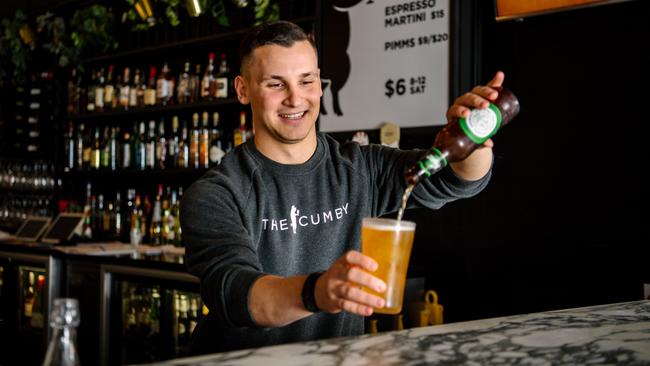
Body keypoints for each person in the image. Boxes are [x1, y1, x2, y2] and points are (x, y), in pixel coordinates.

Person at [181, 20, 501, 355]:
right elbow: (236, 292)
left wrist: (470, 142)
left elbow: (457, 179)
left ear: (320, 83)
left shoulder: (360, 167)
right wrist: (317, 292)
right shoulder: (216, 193)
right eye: (276, 84)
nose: (295, 98)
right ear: (243, 89)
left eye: (306, 81)